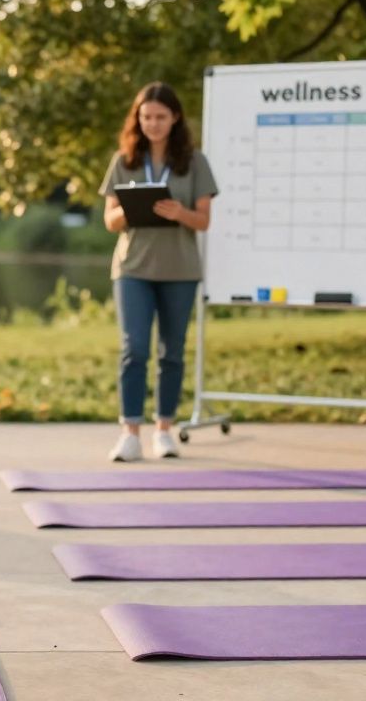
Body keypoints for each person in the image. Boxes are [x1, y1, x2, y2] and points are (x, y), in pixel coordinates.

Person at [100, 82, 218, 462]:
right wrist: (134, 209)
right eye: (146, 116)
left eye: (160, 117)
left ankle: (164, 429)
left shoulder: (195, 162)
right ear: (138, 119)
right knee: (134, 349)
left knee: (172, 352)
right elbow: (110, 220)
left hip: (180, 270)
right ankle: (130, 432)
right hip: (133, 268)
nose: (152, 124)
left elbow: (203, 221)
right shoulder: (124, 160)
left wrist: (176, 212)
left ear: (175, 118)